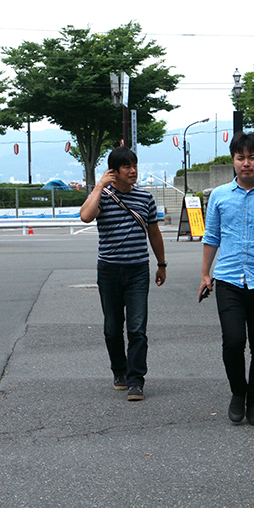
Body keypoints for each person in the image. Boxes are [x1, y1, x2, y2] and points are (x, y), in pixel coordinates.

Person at [199, 132, 254, 426]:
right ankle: (238, 393)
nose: (246, 163)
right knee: (234, 341)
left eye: (252, 157)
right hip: (227, 279)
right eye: (241, 157)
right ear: (234, 160)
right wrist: (204, 274)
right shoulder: (220, 196)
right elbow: (211, 237)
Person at [80, 146, 167, 401]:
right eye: (127, 167)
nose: (133, 171)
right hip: (109, 270)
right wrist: (99, 186)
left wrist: (162, 264)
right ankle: (119, 370)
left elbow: (154, 233)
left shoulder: (145, 198)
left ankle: (135, 380)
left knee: (137, 328)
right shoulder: (103, 197)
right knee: (111, 328)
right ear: (113, 172)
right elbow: (85, 216)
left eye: (134, 165)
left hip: (138, 269)